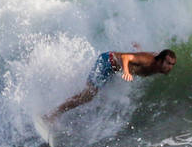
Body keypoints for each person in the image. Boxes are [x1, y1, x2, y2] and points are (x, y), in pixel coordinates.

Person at [44, 49, 176, 123]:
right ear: (160, 60)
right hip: (106, 62)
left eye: (172, 65)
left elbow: (147, 54)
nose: (170, 67)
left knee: (88, 96)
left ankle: (56, 113)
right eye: (168, 63)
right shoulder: (148, 61)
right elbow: (125, 57)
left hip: (111, 70)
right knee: (87, 96)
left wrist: (138, 50)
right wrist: (126, 71)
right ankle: (52, 114)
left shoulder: (156, 63)